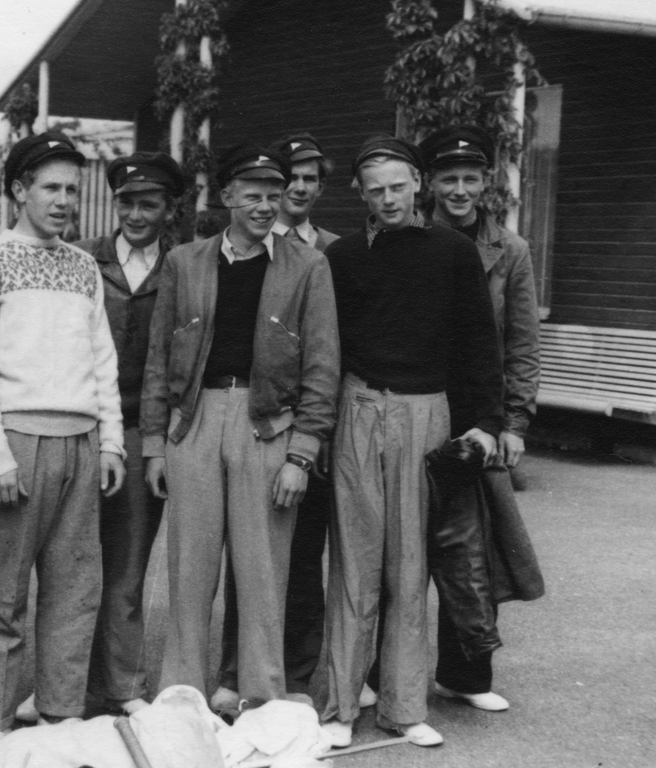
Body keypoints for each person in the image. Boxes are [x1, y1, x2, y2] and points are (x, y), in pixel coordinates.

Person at [319, 135, 503, 749]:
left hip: (428, 414)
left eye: (398, 186)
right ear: (361, 194)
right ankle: (341, 706)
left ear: (418, 183)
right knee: (354, 563)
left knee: (410, 565)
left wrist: (485, 422)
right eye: (376, 190)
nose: (389, 199)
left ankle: (403, 705)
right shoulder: (343, 256)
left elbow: (479, 342)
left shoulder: (454, 252)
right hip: (358, 410)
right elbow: (326, 346)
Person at [142, 144, 340, 707]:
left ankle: (262, 697)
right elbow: (159, 357)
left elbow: (322, 366)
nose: (265, 206)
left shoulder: (308, 265)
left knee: (262, 574)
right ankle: (181, 694)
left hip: (268, 425)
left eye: (273, 196)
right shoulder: (185, 261)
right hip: (195, 421)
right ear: (226, 196)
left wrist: (302, 453)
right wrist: (154, 445)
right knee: (189, 570)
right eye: (252, 195)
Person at [0, 131, 125, 763]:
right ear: (18, 190)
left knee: (75, 589)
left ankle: (60, 711)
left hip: (81, 441)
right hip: (18, 444)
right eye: (50, 188)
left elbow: (103, 360)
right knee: (4, 592)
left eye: (72, 191)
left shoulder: (83, 266)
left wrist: (111, 442)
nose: (63, 201)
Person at [213, 133, 340, 711]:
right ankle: (233, 672)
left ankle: (293, 678)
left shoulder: (327, 254)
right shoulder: (227, 252)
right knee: (242, 557)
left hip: (301, 424)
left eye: (311, 179)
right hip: (242, 419)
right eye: (294, 179)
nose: (298, 189)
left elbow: (325, 354)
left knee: (296, 559)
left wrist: (308, 441)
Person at [419, 123, 542, 711]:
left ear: (486, 182)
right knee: (404, 543)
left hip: (481, 416)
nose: (460, 190)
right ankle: (381, 671)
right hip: (419, 405)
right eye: (449, 179)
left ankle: (464, 676)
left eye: (471, 178)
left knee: (475, 548)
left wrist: (514, 422)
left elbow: (522, 342)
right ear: (430, 183)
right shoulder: (410, 238)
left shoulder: (510, 251)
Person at [77, 152, 185, 715]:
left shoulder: (182, 267)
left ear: (170, 209)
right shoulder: (82, 259)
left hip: (145, 431)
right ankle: (61, 686)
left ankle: (121, 685)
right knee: (72, 566)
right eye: (127, 202)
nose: (136, 215)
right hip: (83, 426)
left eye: (149, 204)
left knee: (126, 565)